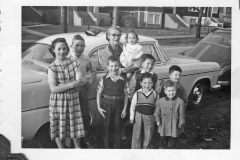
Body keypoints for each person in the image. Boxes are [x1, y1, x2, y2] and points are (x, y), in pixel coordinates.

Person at [47, 38, 85, 148]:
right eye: (59, 49)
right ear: (53, 50)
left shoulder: (74, 63)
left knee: (75, 125)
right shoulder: (52, 68)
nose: (62, 51)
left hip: (73, 99)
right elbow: (53, 89)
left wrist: (62, 86)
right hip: (58, 102)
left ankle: (78, 149)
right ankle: (61, 150)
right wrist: (71, 85)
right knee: (59, 125)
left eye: (64, 48)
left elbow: (79, 81)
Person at [68, 34, 97, 148]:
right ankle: (71, 143)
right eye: (77, 45)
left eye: (82, 46)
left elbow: (93, 71)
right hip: (71, 92)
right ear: (71, 46)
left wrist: (89, 82)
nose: (80, 48)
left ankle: (84, 140)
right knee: (72, 117)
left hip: (83, 91)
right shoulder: (67, 59)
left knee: (84, 116)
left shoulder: (86, 59)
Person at [96, 56, 129, 149]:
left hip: (119, 106)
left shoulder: (123, 79)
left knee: (117, 128)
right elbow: (98, 93)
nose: (114, 68)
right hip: (106, 106)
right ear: (107, 67)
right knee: (106, 128)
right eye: (111, 66)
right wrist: (99, 107)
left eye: (116, 66)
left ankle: (117, 149)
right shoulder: (104, 79)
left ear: (119, 66)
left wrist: (125, 109)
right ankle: (108, 149)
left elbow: (126, 94)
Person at [130, 72, 158, 149]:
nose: (147, 85)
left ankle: (147, 149)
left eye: (149, 83)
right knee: (137, 134)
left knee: (148, 134)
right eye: (145, 83)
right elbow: (133, 105)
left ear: (153, 84)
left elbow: (156, 106)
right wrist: (132, 116)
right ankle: (136, 150)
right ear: (141, 83)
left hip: (150, 116)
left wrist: (156, 117)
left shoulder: (154, 94)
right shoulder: (137, 93)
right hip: (138, 116)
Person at [154, 80, 185, 149]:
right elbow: (157, 112)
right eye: (169, 91)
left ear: (176, 90)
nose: (171, 92)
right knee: (163, 137)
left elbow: (182, 113)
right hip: (164, 122)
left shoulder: (179, 101)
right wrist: (158, 120)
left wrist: (181, 123)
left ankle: (171, 149)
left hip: (174, 122)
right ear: (165, 91)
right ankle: (162, 148)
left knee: (173, 138)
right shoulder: (160, 101)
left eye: (173, 90)